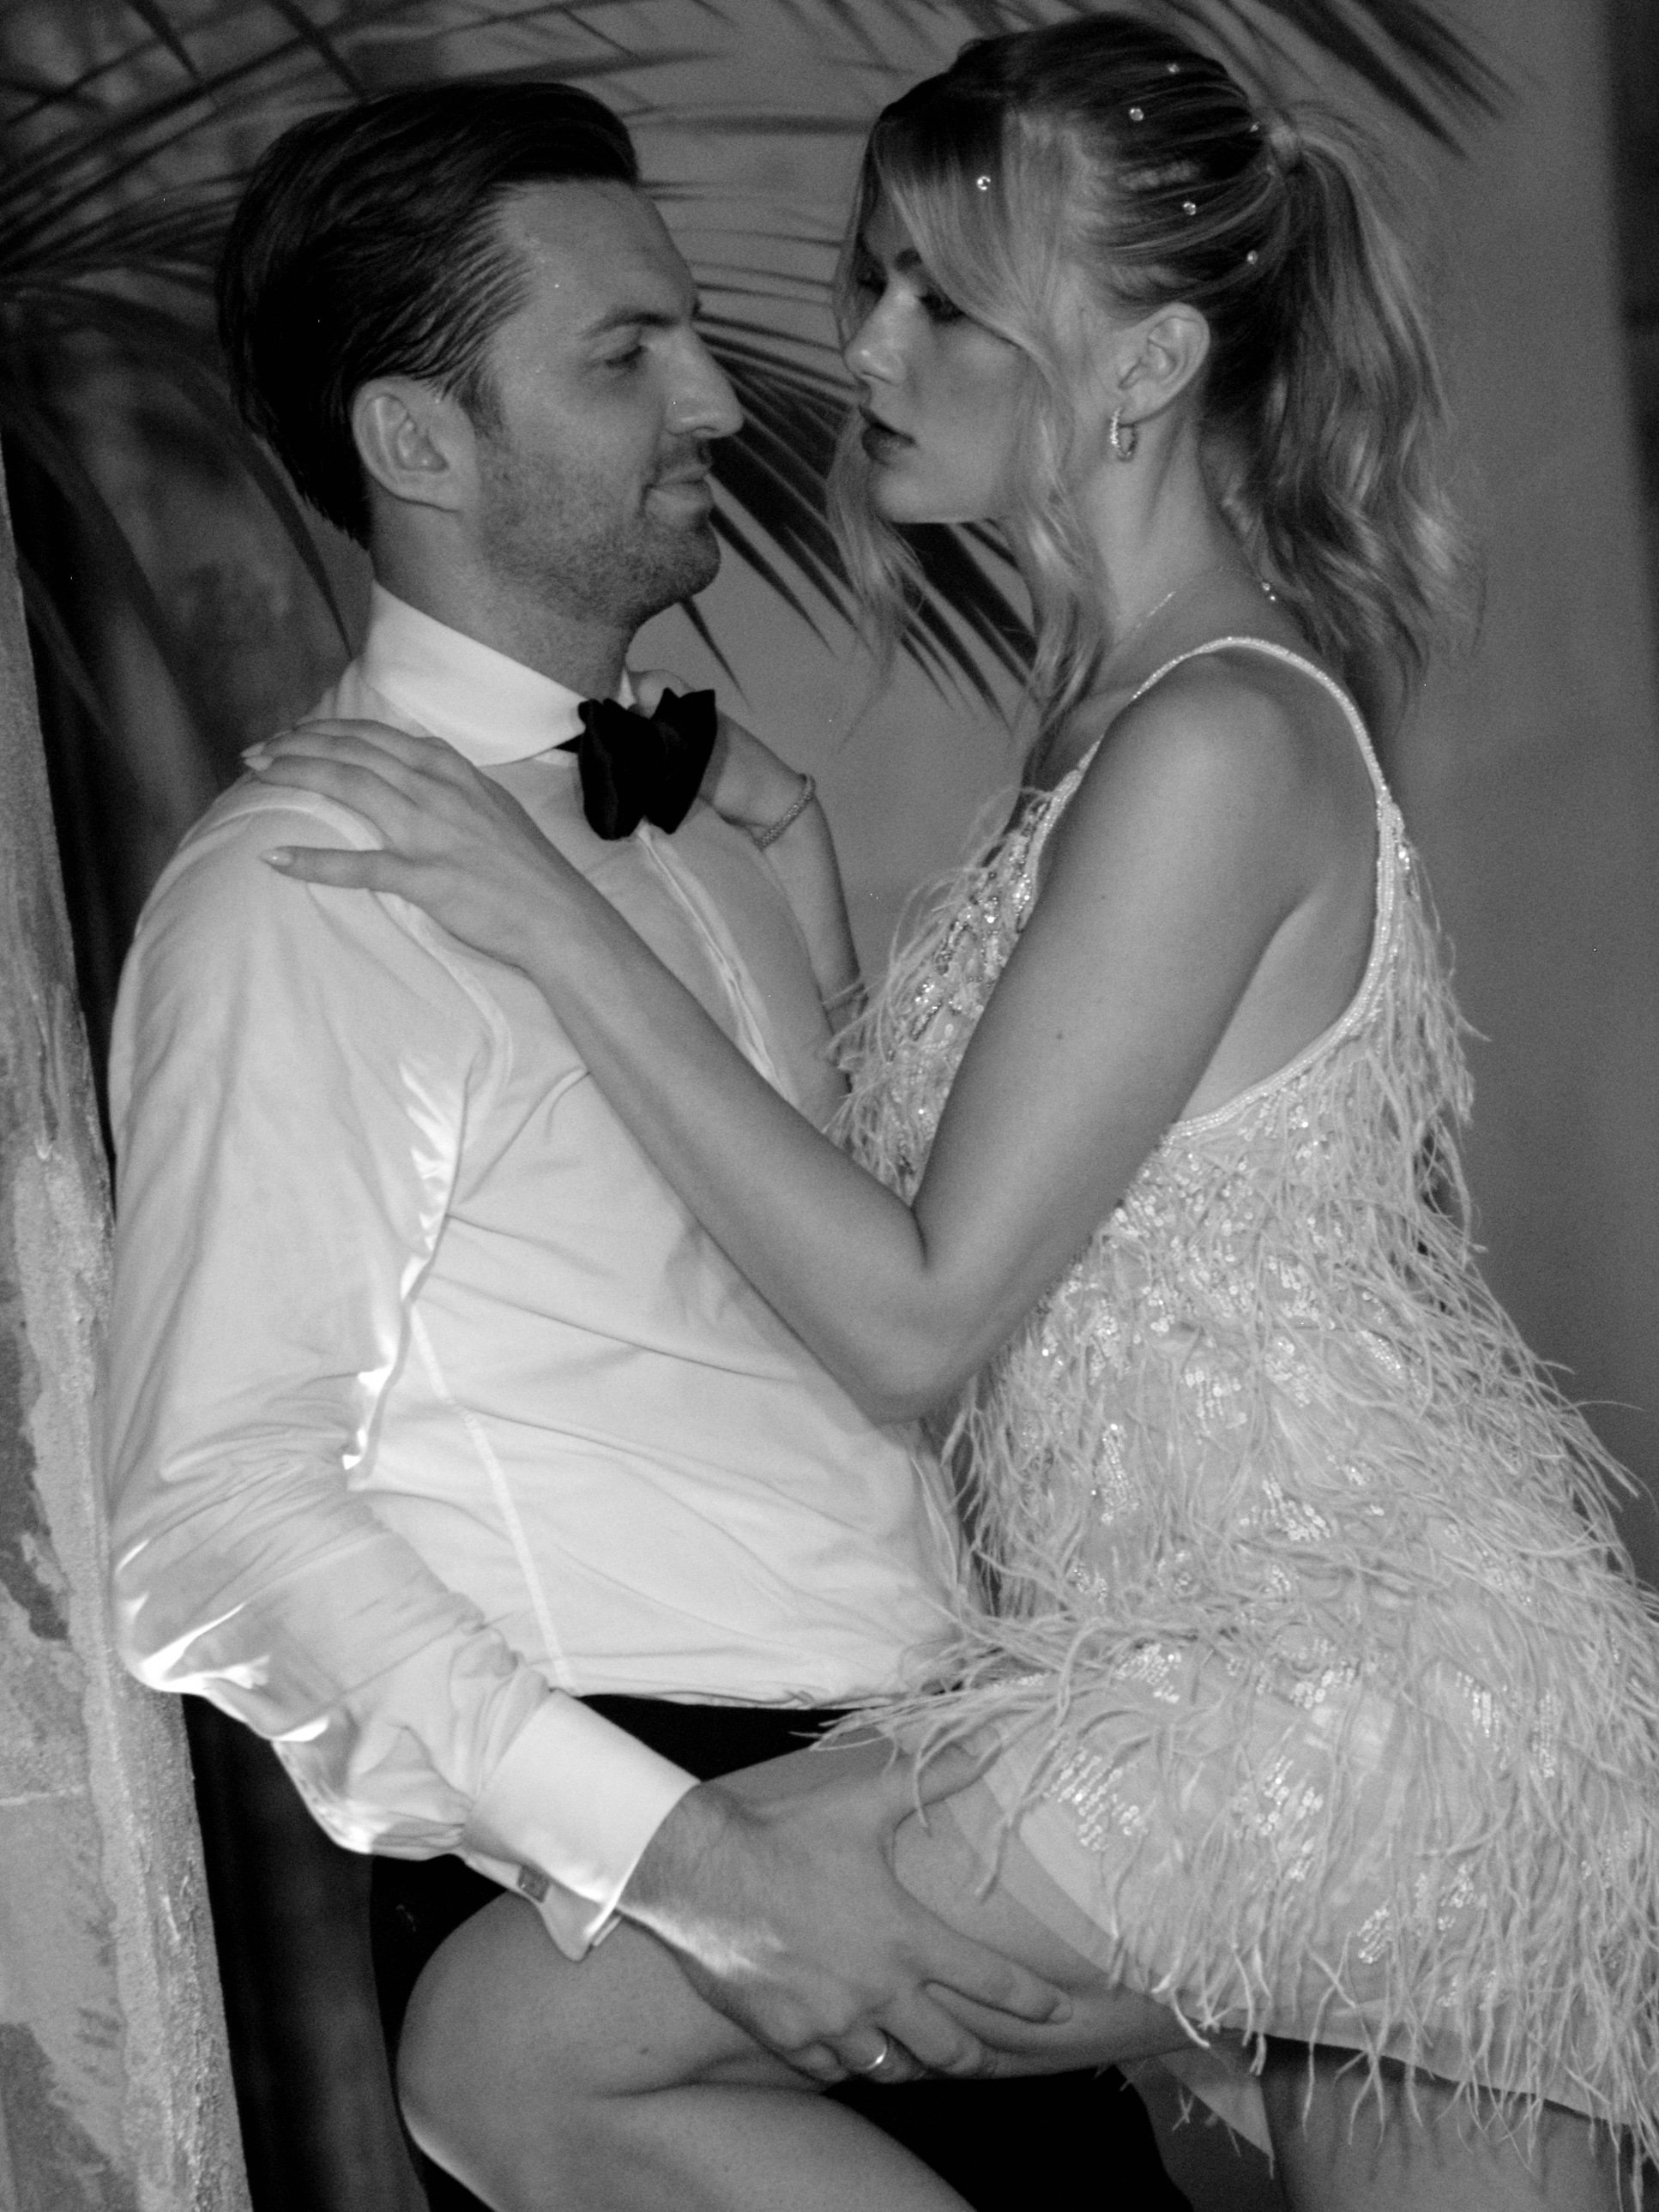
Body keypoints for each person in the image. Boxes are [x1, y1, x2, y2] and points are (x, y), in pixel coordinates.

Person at [248, 16, 1659, 2212]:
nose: (857, 349)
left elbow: (915, 1326)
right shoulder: (1102, 722)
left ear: (1142, 361)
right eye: (867, 279)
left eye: (940, 297)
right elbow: (992, 1250)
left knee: (515, 2047)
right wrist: (801, 907)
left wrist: (546, 912)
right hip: (1239, 1685)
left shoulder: (1210, 739)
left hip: (1344, 1698)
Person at [100, 76, 1191, 2212]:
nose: (720, 395)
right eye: (626, 355)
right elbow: (208, 1507)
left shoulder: (717, 823)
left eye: (687, 330)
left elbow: (865, 1332)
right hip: (639, 1881)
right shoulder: (306, 890)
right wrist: (684, 1865)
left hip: (909, 1802)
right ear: (418, 444)